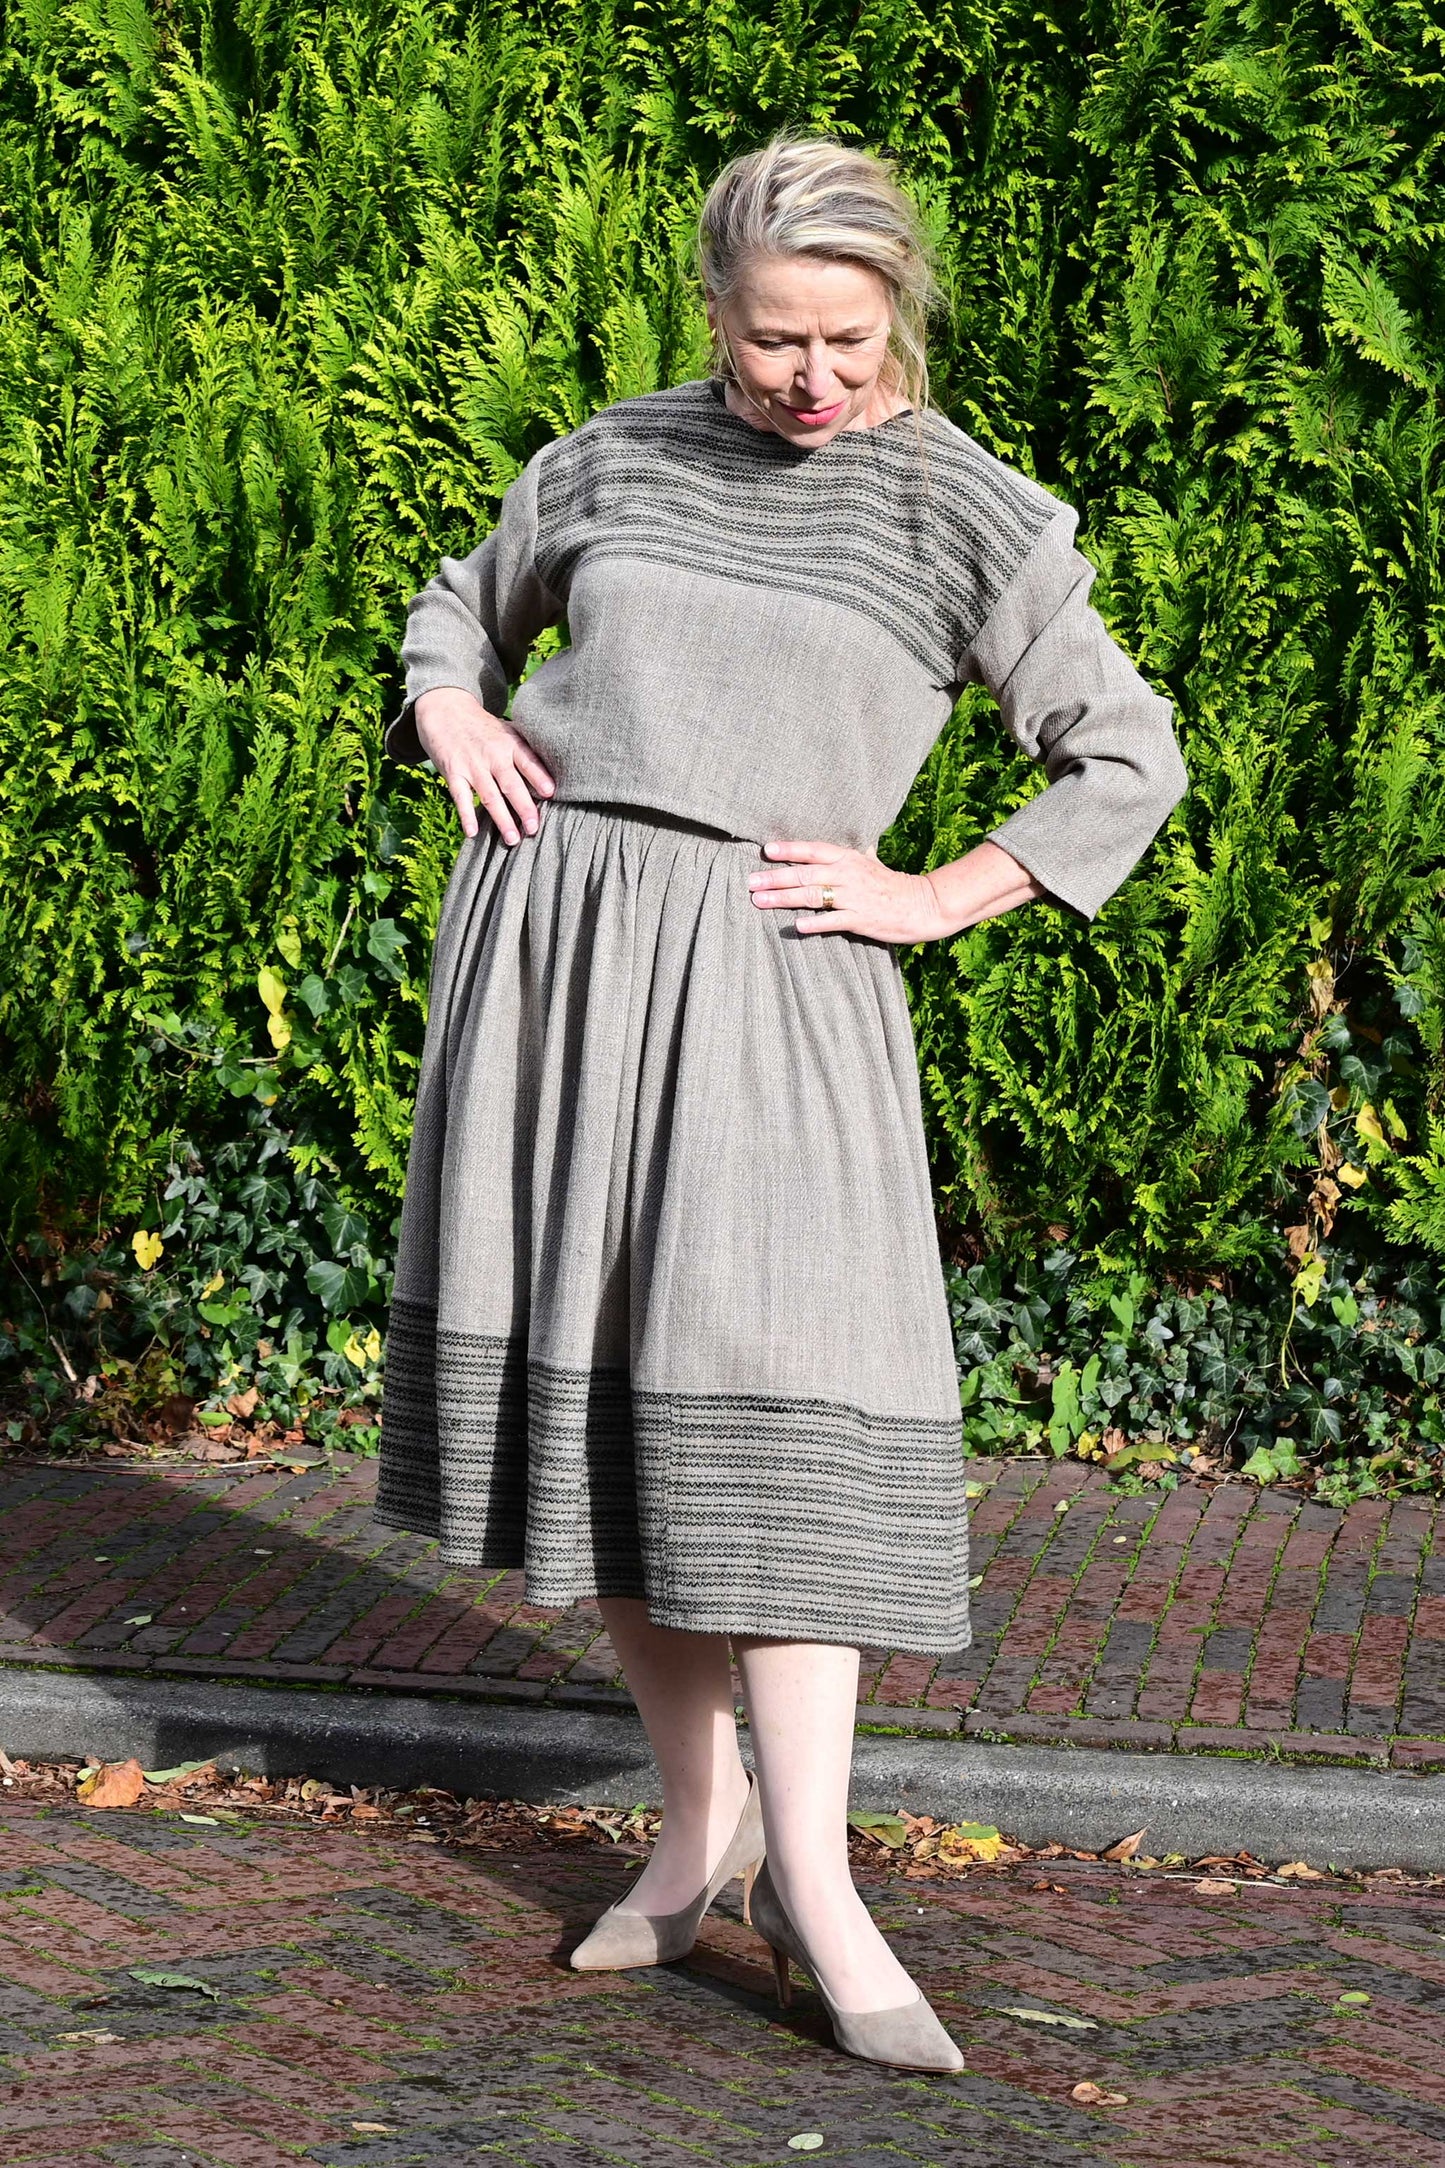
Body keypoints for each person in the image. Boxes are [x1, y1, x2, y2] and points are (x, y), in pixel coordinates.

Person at [375, 134, 1186, 2072]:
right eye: (769, 342)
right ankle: (695, 1825)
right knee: (626, 1442)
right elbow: (455, 610)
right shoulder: (616, 454)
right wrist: (453, 705)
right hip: (563, 971)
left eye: (843, 337)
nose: (809, 378)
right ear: (716, 312)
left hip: (772, 989)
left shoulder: (966, 515)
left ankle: (819, 1881)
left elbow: (1123, 756)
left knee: (784, 1448)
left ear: (895, 307)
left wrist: (926, 894)